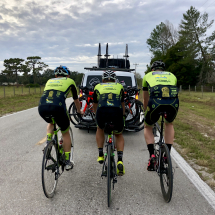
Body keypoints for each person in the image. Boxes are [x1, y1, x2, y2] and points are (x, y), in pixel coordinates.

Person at [38, 65, 83, 171]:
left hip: (42, 107)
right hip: (57, 107)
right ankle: (67, 161)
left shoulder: (49, 81)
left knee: (51, 123)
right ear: (68, 75)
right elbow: (76, 99)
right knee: (65, 131)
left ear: (55, 75)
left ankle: (48, 142)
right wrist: (79, 111)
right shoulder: (70, 81)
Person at [142, 60, 179, 171]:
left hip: (155, 103)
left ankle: (152, 155)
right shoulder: (172, 76)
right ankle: (167, 155)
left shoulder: (147, 76)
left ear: (152, 69)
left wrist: (145, 111)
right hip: (172, 104)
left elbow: (145, 98)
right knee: (169, 124)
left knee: (148, 126)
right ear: (163, 70)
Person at [93, 70, 126, 176]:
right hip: (116, 112)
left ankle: (100, 154)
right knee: (119, 134)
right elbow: (122, 103)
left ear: (103, 79)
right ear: (114, 80)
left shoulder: (98, 86)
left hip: (102, 112)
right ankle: (120, 160)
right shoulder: (119, 86)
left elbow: (95, 104)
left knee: (100, 128)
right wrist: (123, 115)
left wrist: (95, 115)